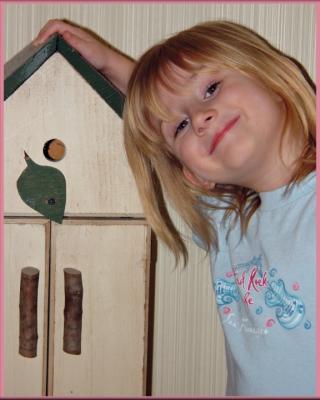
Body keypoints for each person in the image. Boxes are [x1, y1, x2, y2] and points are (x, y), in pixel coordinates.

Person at [34, 19, 316, 396]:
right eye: (181, 126)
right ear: (195, 175)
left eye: (212, 88)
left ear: (272, 78)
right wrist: (106, 65)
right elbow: (155, 122)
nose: (200, 118)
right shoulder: (229, 229)